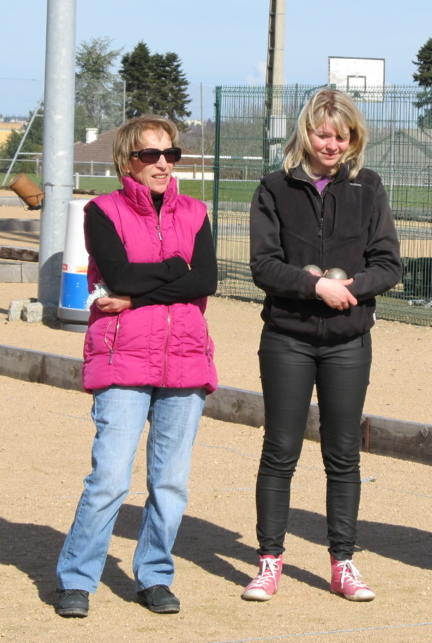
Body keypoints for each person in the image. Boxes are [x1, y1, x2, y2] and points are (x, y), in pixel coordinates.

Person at [54, 115, 218, 618]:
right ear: (128, 159)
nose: (163, 164)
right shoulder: (102, 211)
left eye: (171, 155)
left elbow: (204, 281)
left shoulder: (196, 212)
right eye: (151, 155)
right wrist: (174, 269)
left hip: (186, 358)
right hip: (123, 358)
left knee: (170, 482)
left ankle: (154, 576)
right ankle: (77, 579)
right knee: (109, 478)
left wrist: (132, 298)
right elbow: (120, 272)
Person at [244, 89, 403, 603]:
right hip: (287, 338)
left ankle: (343, 562)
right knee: (280, 451)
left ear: (354, 137)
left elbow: (388, 264)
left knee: (343, 454)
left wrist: (349, 290)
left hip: (347, 341)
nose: (331, 144)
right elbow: (263, 265)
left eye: (342, 135)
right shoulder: (273, 188)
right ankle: (269, 562)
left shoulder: (368, 188)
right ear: (304, 133)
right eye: (322, 133)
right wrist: (314, 286)